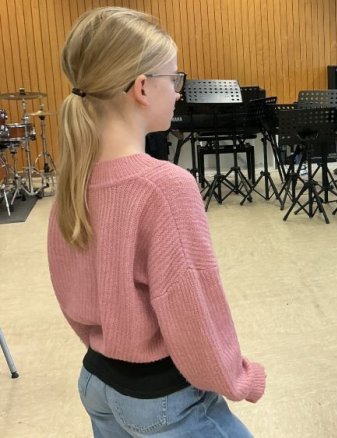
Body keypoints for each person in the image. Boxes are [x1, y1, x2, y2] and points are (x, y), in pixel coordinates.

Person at [48, 7, 265, 437]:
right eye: (174, 79)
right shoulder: (165, 186)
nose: (179, 92)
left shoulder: (74, 180)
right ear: (142, 87)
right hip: (164, 401)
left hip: (98, 380)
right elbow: (193, 312)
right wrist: (239, 377)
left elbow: (71, 293)